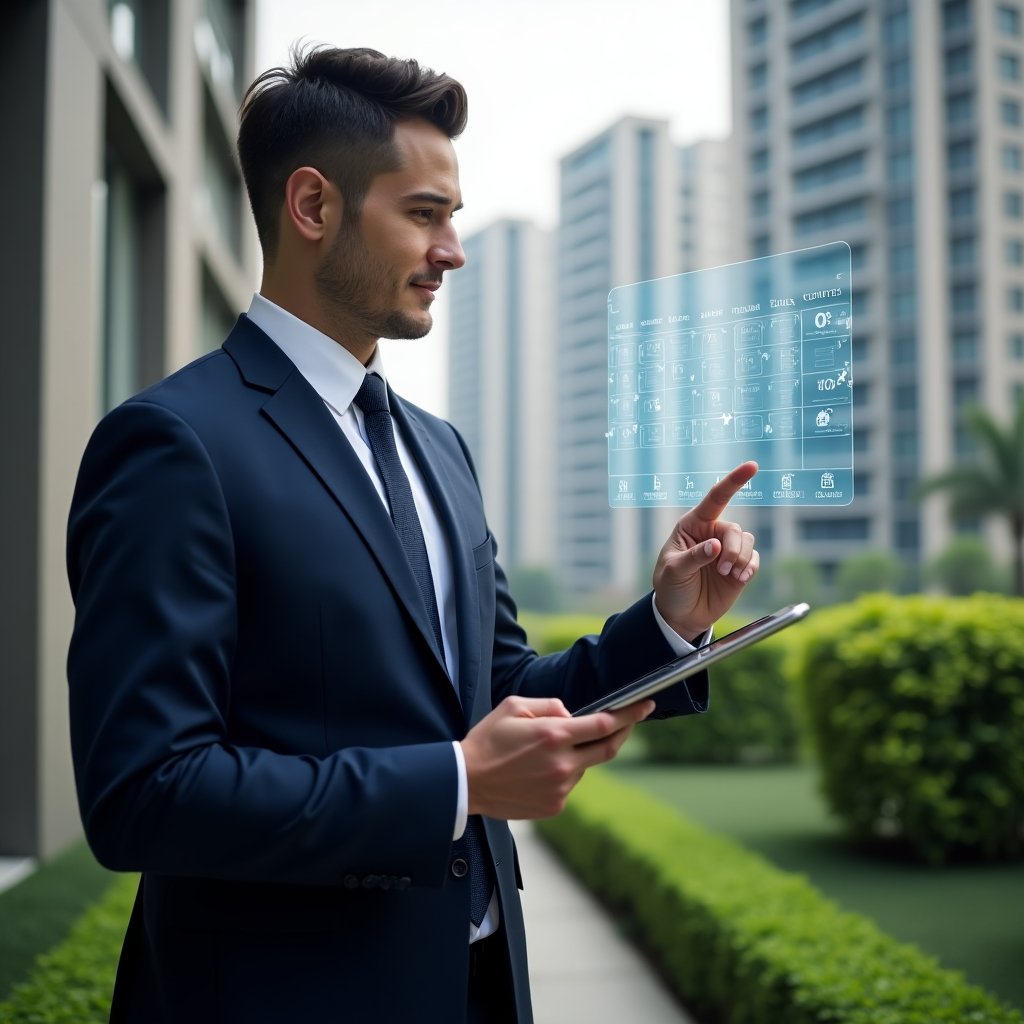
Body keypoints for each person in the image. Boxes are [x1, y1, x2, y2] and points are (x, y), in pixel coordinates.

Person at [66, 45, 759, 1024]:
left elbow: (496, 690)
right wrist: (451, 782)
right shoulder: (174, 445)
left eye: (454, 218)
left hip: (477, 987)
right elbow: (145, 790)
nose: (453, 251)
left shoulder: (440, 449)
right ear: (313, 207)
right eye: (424, 215)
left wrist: (668, 623)